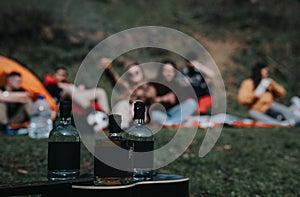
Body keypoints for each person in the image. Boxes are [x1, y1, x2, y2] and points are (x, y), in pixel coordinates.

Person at [238, 62, 300, 127]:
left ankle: (295, 120)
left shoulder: (267, 82)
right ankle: (278, 124)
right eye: (265, 70)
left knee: (277, 107)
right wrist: (254, 96)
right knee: (252, 113)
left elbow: (282, 93)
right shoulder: (248, 82)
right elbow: (242, 99)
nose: (267, 72)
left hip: (269, 107)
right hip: (257, 110)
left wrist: (273, 84)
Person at [101, 58, 156, 128]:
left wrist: (133, 94)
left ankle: (136, 126)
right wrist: (109, 68)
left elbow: (149, 96)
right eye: (130, 74)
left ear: (142, 72)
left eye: (136, 72)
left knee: (137, 104)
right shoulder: (126, 86)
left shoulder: (149, 87)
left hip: (142, 116)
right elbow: (116, 80)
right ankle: (119, 125)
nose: (134, 75)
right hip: (126, 115)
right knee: (123, 104)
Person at [150, 60, 197, 126]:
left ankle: (171, 122)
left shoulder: (177, 84)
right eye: (166, 70)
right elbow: (149, 101)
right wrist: (163, 98)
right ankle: (174, 122)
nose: (169, 73)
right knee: (152, 114)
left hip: (173, 112)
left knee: (192, 103)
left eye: (171, 71)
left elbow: (183, 103)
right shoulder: (154, 83)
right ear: (161, 71)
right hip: (160, 112)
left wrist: (188, 87)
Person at [44, 67, 110, 113]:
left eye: (64, 75)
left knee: (100, 91)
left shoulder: (67, 83)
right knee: (70, 88)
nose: (62, 76)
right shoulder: (51, 84)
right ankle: (91, 111)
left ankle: (106, 116)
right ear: (55, 74)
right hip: (62, 98)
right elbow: (50, 94)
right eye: (60, 74)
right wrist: (59, 86)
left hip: (76, 97)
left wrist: (80, 88)